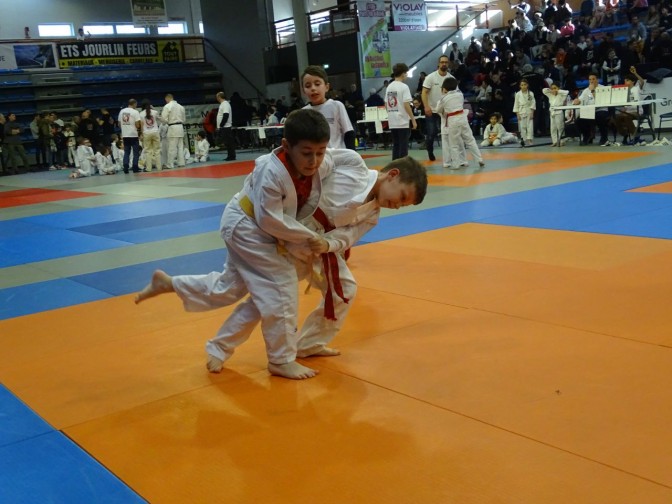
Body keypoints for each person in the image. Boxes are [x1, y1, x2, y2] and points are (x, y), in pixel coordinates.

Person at [135, 109, 337, 380]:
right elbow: (270, 220)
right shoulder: (271, 171)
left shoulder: (322, 162)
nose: (315, 160)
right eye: (307, 153)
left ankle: (173, 287)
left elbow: (342, 161)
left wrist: (366, 177)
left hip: (254, 226)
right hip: (249, 227)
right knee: (281, 289)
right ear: (287, 146)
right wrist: (310, 237)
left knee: (229, 288)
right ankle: (281, 359)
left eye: (321, 152)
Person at [286, 155, 428, 359]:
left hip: (318, 245)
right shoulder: (353, 166)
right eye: (402, 197)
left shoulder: (372, 216)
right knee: (251, 289)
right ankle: (223, 348)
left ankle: (309, 344)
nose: (397, 206)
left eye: (403, 206)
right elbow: (315, 162)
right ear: (393, 175)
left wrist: (328, 244)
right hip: (289, 224)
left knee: (345, 289)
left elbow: (347, 237)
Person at [301, 65, 355, 149]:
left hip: (337, 157)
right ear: (304, 91)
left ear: (326, 87)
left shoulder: (336, 106)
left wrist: (351, 155)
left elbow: (349, 133)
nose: (313, 88)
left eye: (317, 84)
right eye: (308, 86)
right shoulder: (303, 113)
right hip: (316, 159)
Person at [436, 77, 484, 170]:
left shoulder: (444, 99)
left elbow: (439, 110)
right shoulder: (460, 95)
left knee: (453, 143)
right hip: (463, 118)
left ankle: (456, 164)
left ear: (444, 88)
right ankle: (479, 159)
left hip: (453, 120)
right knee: (470, 140)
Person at [421, 54, 454, 161]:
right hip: (432, 110)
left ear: (448, 64)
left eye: (446, 62)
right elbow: (424, 93)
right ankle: (430, 151)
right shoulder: (430, 77)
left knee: (450, 133)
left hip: (446, 111)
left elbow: (455, 95)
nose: (444, 64)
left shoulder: (451, 78)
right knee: (431, 133)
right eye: (442, 62)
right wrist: (426, 107)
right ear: (438, 64)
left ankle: (451, 155)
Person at [385, 63, 417, 160]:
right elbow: (406, 104)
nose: (407, 75)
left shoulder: (389, 87)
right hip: (402, 121)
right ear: (403, 73)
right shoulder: (404, 87)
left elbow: (386, 104)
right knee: (403, 146)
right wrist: (413, 119)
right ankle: (403, 168)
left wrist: (391, 114)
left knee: (396, 145)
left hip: (393, 121)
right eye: (406, 73)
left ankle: (394, 166)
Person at [573, 72, 610, 146]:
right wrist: (577, 101)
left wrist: (593, 91)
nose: (591, 81)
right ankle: (587, 136)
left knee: (600, 117)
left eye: (593, 79)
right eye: (590, 79)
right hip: (590, 111)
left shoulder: (603, 88)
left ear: (597, 80)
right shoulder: (586, 90)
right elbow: (580, 99)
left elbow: (600, 102)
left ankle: (604, 137)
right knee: (579, 120)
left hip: (601, 110)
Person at [612, 68, 646, 146]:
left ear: (633, 81)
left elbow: (642, 81)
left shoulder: (637, 88)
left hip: (637, 111)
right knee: (616, 117)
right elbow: (625, 105)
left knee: (627, 117)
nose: (625, 82)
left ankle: (636, 138)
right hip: (627, 111)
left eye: (627, 80)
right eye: (625, 80)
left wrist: (635, 73)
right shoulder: (624, 91)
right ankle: (625, 135)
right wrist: (624, 108)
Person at [161, 93, 186, 169]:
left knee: (172, 147)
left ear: (167, 99)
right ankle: (181, 163)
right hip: (180, 127)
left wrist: (162, 120)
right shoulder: (181, 107)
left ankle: (170, 164)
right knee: (180, 147)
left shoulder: (167, 106)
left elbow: (164, 120)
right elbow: (184, 119)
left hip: (173, 127)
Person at [118, 98, 142, 173]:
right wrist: (138, 128)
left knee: (126, 152)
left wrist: (125, 128)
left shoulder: (122, 111)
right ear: (134, 104)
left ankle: (125, 167)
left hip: (125, 135)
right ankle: (135, 167)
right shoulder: (135, 112)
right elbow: (138, 124)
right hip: (133, 135)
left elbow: (119, 124)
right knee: (135, 152)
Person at [543, 81, 569, 146]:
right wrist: (550, 90)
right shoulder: (550, 94)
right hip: (552, 112)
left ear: (558, 88)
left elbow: (567, 92)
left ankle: (562, 141)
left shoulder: (561, 95)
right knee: (553, 128)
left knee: (560, 127)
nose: (553, 90)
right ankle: (554, 141)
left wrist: (558, 91)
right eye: (552, 88)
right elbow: (544, 90)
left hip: (559, 112)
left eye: (555, 88)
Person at [513, 78, 536, 147]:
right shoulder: (517, 94)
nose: (523, 86)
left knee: (530, 126)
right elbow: (516, 104)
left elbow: (533, 103)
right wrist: (517, 114)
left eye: (525, 85)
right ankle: (524, 139)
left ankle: (530, 139)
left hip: (529, 110)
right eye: (522, 85)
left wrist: (532, 113)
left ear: (527, 85)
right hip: (521, 111)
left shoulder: (531, 93)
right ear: (520, 86)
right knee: (522, 127)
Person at [139, 100, 161, 171]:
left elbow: (141, 126)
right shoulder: (154, 112)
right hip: (155, 132)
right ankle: (159, 167)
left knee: (148, 151)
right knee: (157, 150)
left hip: (146, 133)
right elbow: (160, 118)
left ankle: (148, 168)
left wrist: (141, 134)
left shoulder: (141, 114)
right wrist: (153, 108)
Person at [216, 91, 236, 161]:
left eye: (217, 97)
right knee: (227, 142)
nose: (216, 98)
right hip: (224, 127)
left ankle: (232, 156)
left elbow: (226, 115)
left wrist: (221, 124)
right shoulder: (223, 104)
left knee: (229, 142)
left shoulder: (225, 104)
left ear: (219, 97)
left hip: (226, 127)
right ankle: (230, 155)